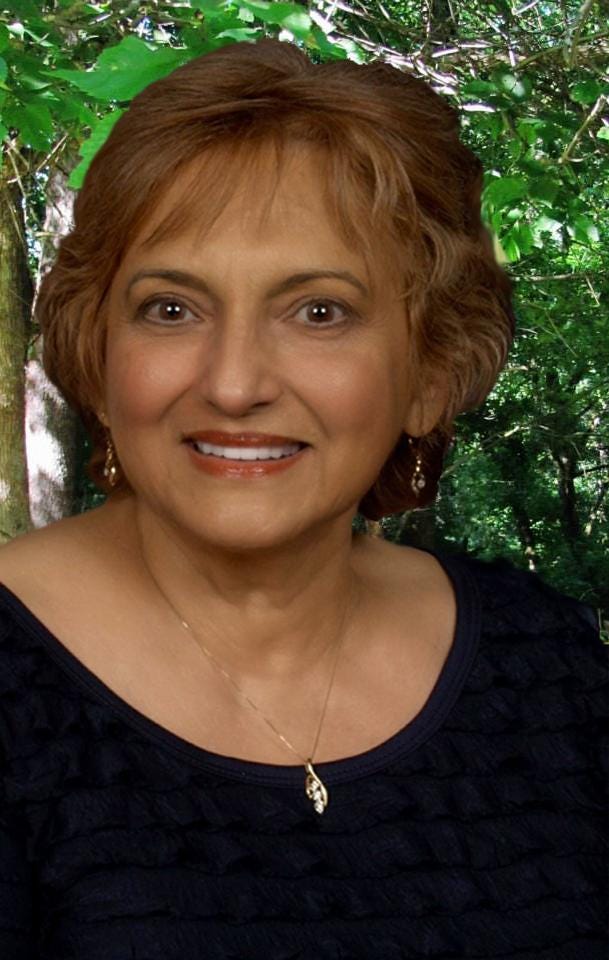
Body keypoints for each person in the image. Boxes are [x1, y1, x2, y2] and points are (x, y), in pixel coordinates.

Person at [0, 36, 606, 959]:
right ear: (99, 353)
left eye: (319, 312)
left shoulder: (548, 670)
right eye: (172, 309)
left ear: (430, 372)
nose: (234, 383)